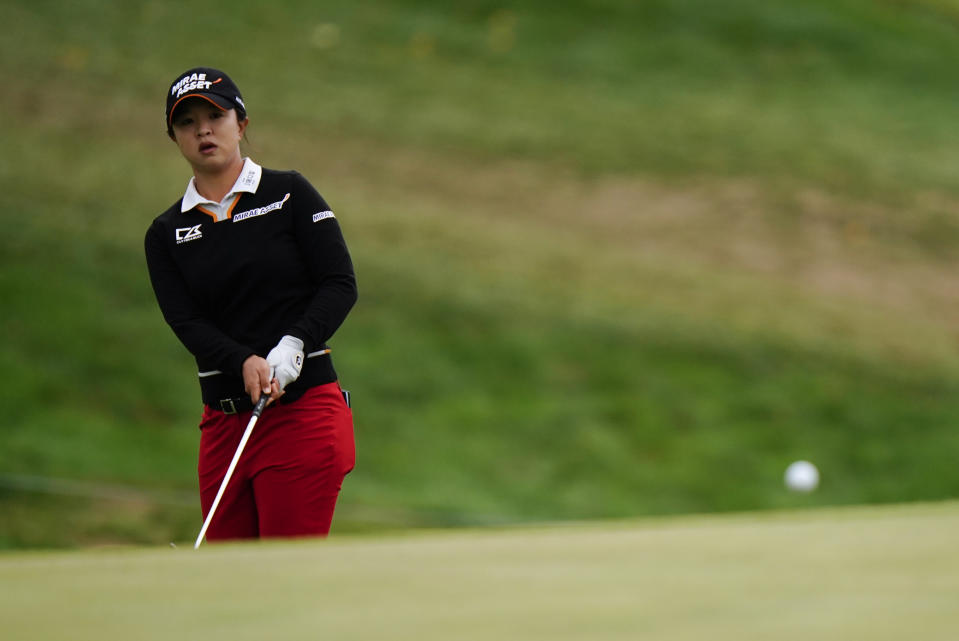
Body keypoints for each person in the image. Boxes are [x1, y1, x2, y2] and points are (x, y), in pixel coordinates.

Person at [144, 67, 357, 541]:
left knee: (285, 577)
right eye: (187, 122)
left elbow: (339, 283)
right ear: (174, 137)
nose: (203, 130)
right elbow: (185, 320)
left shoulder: (288, 194)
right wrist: (241, 360)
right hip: (222, 424)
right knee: (224, 578)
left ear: (240, 124)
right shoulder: (166, 233)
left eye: (215, 116)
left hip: (300, 414)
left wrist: (295, 343)